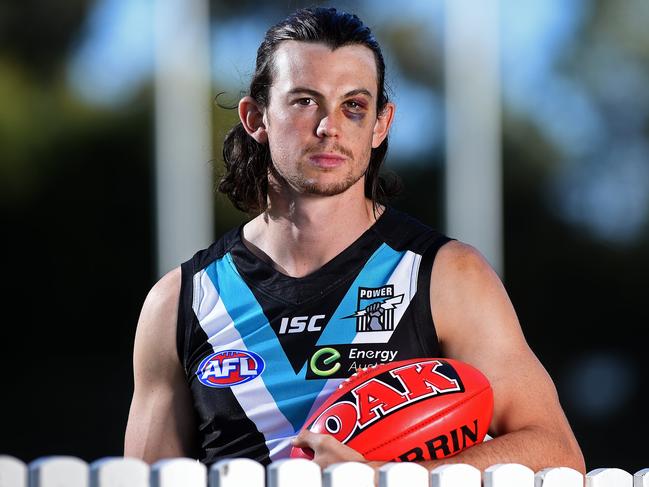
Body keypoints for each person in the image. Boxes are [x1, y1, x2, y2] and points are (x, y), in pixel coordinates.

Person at [124, 7, 585, 474]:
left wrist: (388, 479)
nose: (330, 127)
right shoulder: (181, 301)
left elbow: (557, 452)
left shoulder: (445, 276)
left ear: (381, 123)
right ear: (255, 117)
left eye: (354, 105)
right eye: (304, 101)